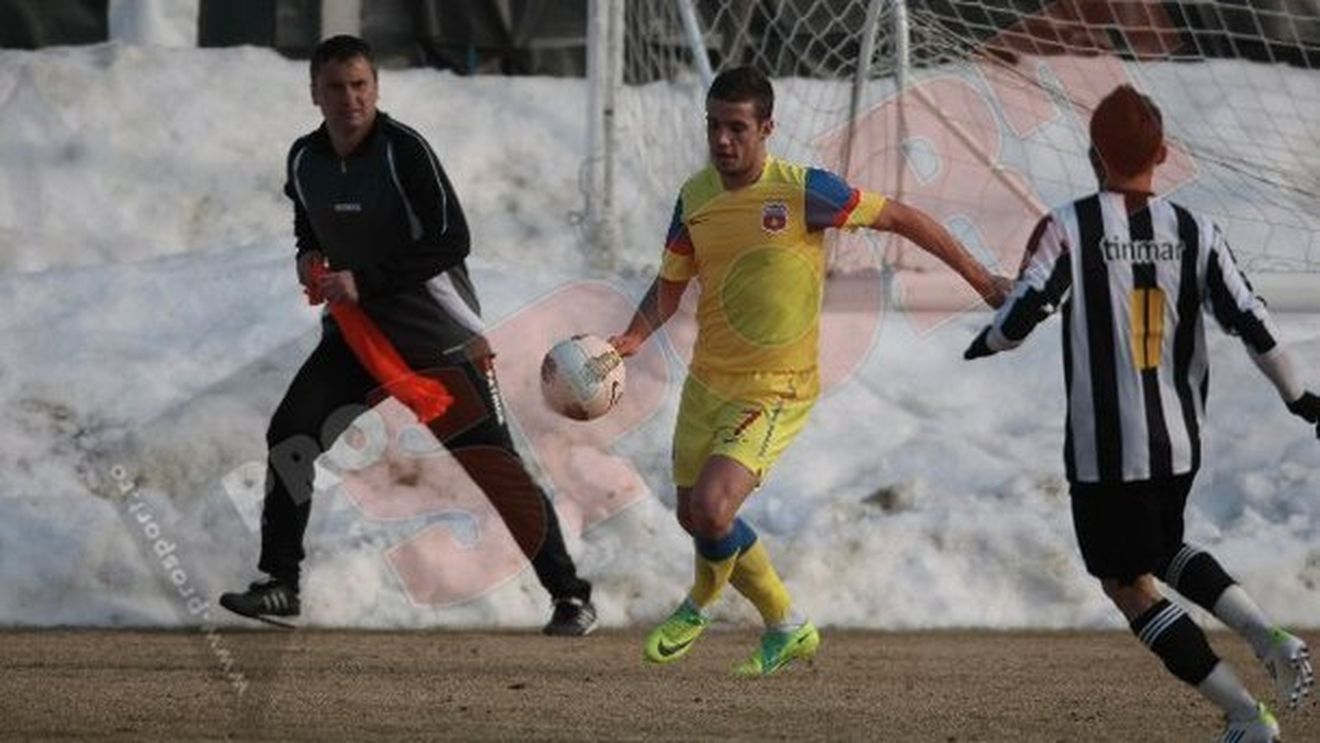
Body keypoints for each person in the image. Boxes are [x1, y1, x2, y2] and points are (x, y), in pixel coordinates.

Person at [610, 66, 1010, 677]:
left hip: (777, 388)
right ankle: (787, 626)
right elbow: (671, 284)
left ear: (767, 128)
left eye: (737, 128)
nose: (722, 140)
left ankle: (700, 603)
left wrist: (982, 280)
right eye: (714, 126)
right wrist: (634, 337)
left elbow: (902, 218)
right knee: (692, 514)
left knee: (714, 510)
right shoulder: (694, 197)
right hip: (707, 382)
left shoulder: (803, 191)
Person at [964, 84, 1316, 741]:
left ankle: (1247, 716)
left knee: (1126, 583)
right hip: (1178, 445)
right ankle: (1267, 636)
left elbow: (1020, 317)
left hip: (1106, 452)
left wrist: (984, 342)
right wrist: (1301, 398)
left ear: (1095, 156)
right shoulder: (1197, 230)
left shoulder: (1069, 226)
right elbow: (1255, 323)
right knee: (1163, 547)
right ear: (1162, 153)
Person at [219, 35, 596, 636]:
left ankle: (571, 596)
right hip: (359, 338)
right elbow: (306, 216)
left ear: (377, 88)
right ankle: (280, 584)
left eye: (361, 85)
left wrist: (364, 280)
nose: (350, 99)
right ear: (314, 93)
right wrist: (307, 254)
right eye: (337, 87)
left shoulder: (404, 151)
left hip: (439, 340)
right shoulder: (303, 158)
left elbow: (453, 239)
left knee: (494, 467)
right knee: (291, 434)